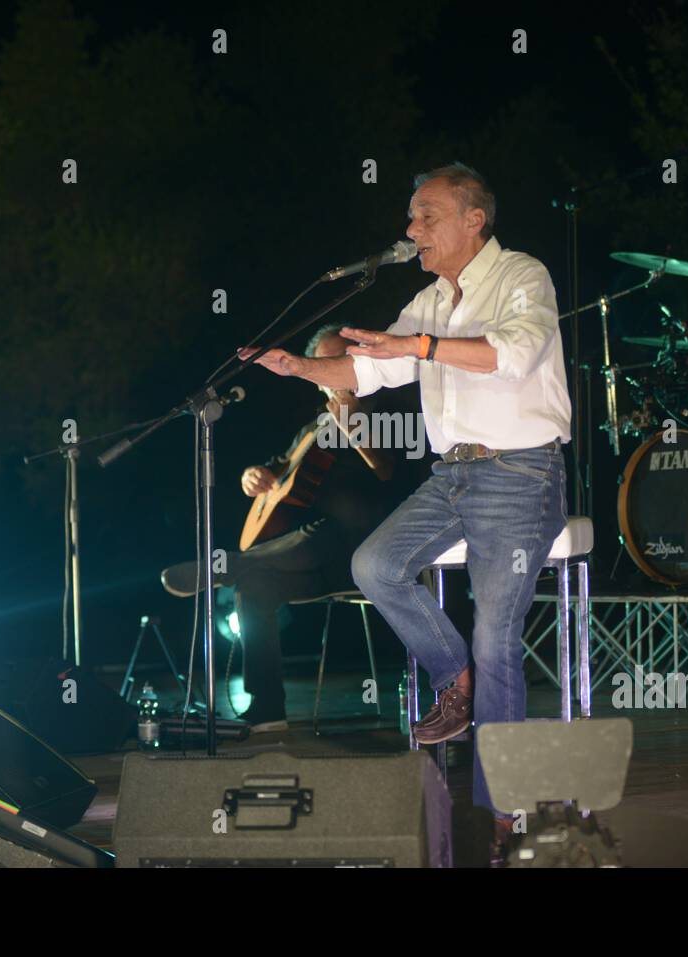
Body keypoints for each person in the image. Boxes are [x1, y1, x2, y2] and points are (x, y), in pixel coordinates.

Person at [244, 162, 572, 854]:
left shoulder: (523, 276)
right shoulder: (429, 298)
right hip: (452, 476)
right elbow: (369, 367)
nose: (411, 228)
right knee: (376, 563)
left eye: (425, 215)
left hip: (521, 472)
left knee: (496, 634)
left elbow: (511, 357)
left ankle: (506, 817)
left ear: (472, 219)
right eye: (412, 216)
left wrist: (415, 346)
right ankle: (458, 679)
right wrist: (301, 368)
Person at [161, 324, 421, 731]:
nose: (339, 369)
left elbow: (391, 475)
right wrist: (255, 476)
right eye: (328, 365)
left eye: (345, 359)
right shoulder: (313, 429)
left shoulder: (396, 410)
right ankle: (267, 711)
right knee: (256, 587)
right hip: (317, 561)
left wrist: (355, 429)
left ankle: (228, 564)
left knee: (337, 526)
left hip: (376, 555)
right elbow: (278, 471)